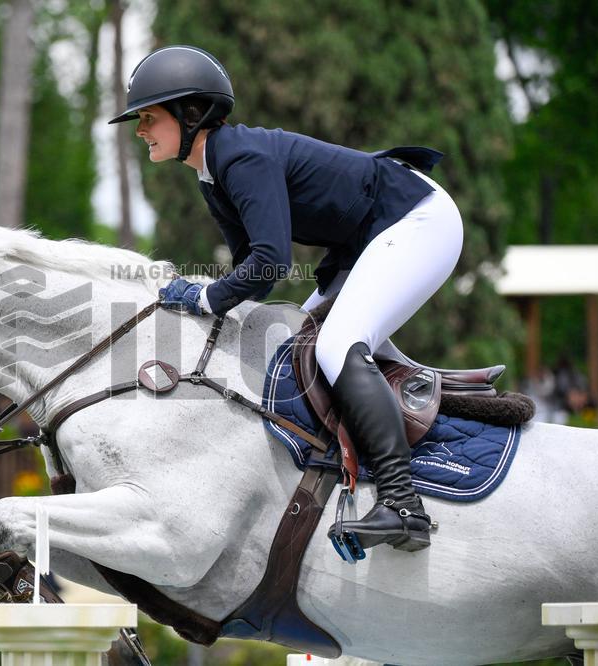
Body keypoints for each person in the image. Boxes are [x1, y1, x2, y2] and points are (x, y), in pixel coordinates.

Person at [110, 45, 465, 552]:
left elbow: (271, 262)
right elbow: (255, 275)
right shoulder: (213, 174)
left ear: (191, 115)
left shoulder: (241, 157)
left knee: (337, 345)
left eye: (148, 117)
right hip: (368, 237)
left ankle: (403, 503)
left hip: (417, 219)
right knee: (297, 344)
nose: (140, 130)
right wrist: (205, 296)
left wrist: (204, 295)